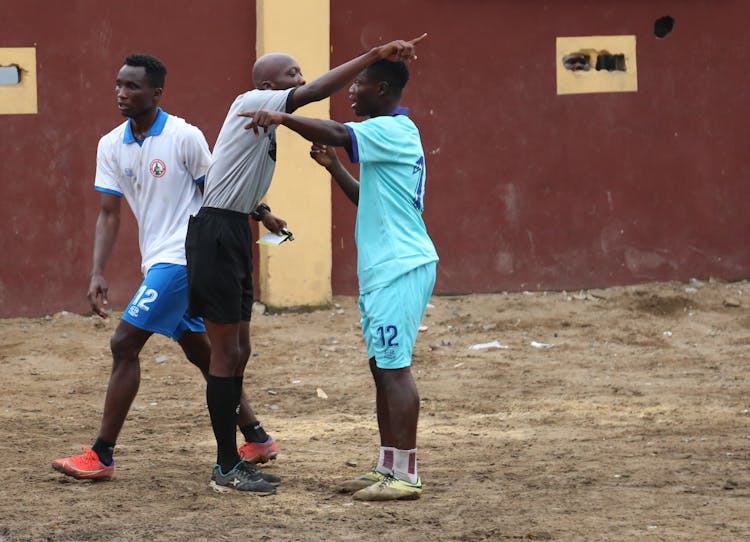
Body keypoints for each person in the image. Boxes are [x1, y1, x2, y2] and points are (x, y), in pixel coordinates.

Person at [185, 35, 426, 494]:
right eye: (292, 74)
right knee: (225, 353)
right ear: (267, 85)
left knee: (239, 352)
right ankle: (225, 466)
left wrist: (259, 211)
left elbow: (231, 176)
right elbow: (315, 97)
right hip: (215, 233)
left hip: (234, 229)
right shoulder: (254, 100)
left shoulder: (270, 121)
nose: (302, 79)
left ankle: (241, 456)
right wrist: (373, 56)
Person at [52, 54, 281, 494]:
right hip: (156, 259)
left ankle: (101, 455)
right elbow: (108, 213)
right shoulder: (110, 144)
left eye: (133, 87)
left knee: (124, 344)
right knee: (200, 350)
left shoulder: (184, 136)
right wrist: (96, 272)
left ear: (156, 93)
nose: (122, 93)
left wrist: (263, 213)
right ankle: (256, 438)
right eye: (119, 85)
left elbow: (218, 189)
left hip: (185, 257)